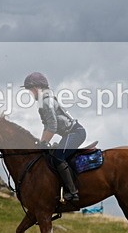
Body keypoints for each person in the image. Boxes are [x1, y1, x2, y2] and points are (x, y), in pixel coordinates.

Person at [24, 72, 86, 203]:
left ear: (36, 88)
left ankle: (72, 193)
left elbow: (52, 126)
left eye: (29, 90)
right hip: (70, 133)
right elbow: (47, 126)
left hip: (75, 133)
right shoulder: (45, 100)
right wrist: (42, 143)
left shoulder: (46, 102)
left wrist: (43, 143)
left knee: (58, 157)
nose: (30, 93)